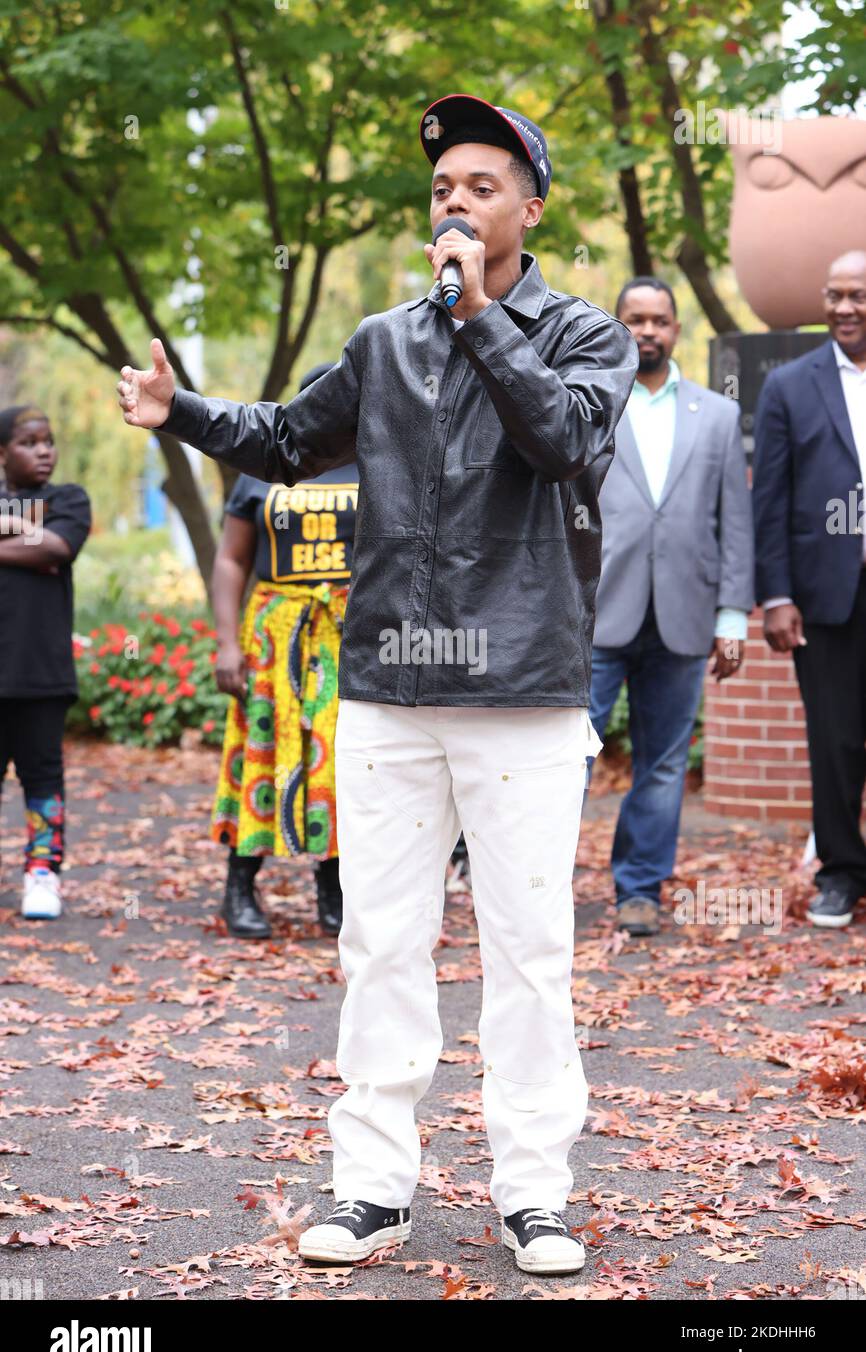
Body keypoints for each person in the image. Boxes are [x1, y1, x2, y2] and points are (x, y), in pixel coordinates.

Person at [116, 92, 638, 1276]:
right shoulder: (381, 341)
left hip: (524, 688)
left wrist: (477, 318)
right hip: (388, 688)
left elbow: (560, 439)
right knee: (382, 944)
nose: (453, 202)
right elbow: (286, 439)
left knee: (527, 948)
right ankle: (370, 1188)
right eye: (442, 188)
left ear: (530, 206)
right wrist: (178, 410)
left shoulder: (582, 335)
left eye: (481, 186)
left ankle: (533, 1193)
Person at [587, 277, 754, 937]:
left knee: (661, 765)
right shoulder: (590, 404)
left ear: (677, 330)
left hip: (684, 617)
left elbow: (733, 525)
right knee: (568, 758)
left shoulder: (716, 415)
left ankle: (640, 892)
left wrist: (733, 618)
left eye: (659, 320)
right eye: (635, 319)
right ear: (618, 326)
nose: (647, 330)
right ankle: (535, 889)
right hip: (596, 615)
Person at [211, 362, 358, 940]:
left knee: (345, 758)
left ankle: (334, 887)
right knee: (262, 751)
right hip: (275, 632)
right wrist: (227, 643)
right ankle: (240, 884)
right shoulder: (264, 466)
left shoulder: (379, 462)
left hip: (352, 633)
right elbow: (231, 559)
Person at [753, 249, 866, 929]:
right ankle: (842, 873)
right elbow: (770, 499)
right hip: (825, 594)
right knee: (834, 739)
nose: (845, 308)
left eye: (858, 295)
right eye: (834, 295)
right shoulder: (789, 387)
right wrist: (775, 595)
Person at [0, 404, 92, 920]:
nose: (44, 451)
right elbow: (39, 547)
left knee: (42, 777)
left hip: (40, 672)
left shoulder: (66, 499)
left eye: (48, 441)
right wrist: (18, 530)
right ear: (2, 452)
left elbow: (57, 547)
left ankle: (42, 873)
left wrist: (16, 528)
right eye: (29, 442)